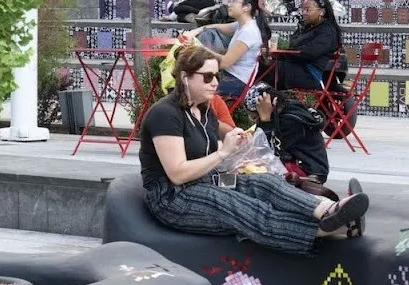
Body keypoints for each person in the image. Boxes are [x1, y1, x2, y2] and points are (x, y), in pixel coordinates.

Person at [138, 46, 368, 252]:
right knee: (243, 206)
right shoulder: (165, 114)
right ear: (185, 77)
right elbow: (178, 174)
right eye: (207, 77)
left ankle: (328, 209)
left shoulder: (204, 110)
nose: (215, 83)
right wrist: (222, 153)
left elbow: (206, 146)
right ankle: (333, 229)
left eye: (217, 76)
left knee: (264, 182)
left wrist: (239, 144)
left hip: (206, 181)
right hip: (173, 197)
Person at [184, 0, 269, 100]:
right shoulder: (242, 25)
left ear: (246, 7)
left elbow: (224, 63)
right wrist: (195, 31)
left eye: (234, 1)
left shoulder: (249, 32)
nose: (229, 4)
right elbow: (216, 27)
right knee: (189, 80)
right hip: (228, 76)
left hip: (236, 82)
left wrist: (198, 47)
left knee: (191, 86)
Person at [267, 0, 342, 92]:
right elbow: (294, 46)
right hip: (297, 68)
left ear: (321, 12)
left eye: (308, 10)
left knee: (266, 69)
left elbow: (310, 52)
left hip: (310, 74)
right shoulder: (308, 27)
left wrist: (285, 53)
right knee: (266, 66)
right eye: (303, 9)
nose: (303, 13)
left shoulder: (327, 31)